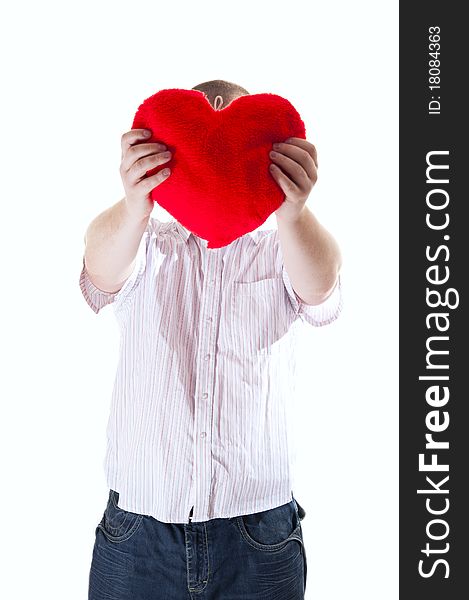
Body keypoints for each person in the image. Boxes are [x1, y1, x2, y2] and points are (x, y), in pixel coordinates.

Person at [81, 79, 343, 600]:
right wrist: (135, 205)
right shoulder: (146, 245)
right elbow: (99, 271)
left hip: (259, 529)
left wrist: (293, 211)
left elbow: (322, 288)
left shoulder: (279, 249)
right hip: (138, 528)